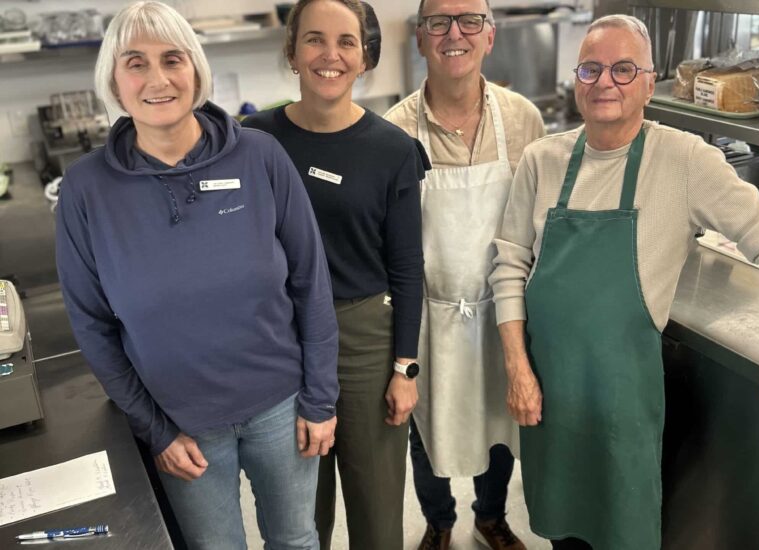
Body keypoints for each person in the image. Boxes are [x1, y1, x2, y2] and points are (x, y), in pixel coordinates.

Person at [490, 14, 759, 550]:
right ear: (576, 80)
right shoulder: (541, 160)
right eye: (591, 69)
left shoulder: (684, 160)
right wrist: (517, 369)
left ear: (649, 84)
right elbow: (509, 266)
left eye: (624, 69)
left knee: (623, 529)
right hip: (550, 395)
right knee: (561, 530)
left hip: (623, 403)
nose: (605, 82)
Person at [55, 3, 338, 549]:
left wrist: (321, 398)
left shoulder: (259, 156)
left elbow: (311, 281)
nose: (157, 79)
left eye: (172, 59)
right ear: (113, 81)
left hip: (281, 406)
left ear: (196, 69)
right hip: (179, 424)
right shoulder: (86, 189)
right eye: (136, 63)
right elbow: (91, 325)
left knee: (296, 540)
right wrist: (154, 428)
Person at [242, 2, 428, 549]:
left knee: (376, 503)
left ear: (365, 57)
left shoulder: (392, 149)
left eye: (347, 41)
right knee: (297, 510)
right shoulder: (256, 140)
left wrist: (405, 368)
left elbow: (407, 267)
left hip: (363, 339)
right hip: (281, 339)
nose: (331, 54)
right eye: (315, 39)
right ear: (292, 52)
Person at [384, 1, 544, 548]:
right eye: (439, 22)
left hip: (503, 311)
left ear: (490, 36)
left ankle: (490, 516)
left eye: (469, 20)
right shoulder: (394, 131)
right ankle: (439, 521)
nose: (455, 33)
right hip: (427, 317)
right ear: (420, 37)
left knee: (498, 423)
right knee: (425, 430)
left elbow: (536, 221)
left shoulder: (523, 120)